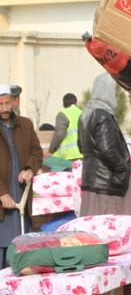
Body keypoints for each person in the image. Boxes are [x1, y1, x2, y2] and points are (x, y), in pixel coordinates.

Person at [78, 73, 131, 216]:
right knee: (111, 223)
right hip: (107, 183)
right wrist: (123, 169)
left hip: (92, 180)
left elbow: (81, 146)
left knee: (93, 224)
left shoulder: (85, 115)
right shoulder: (102, 115)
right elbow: (107, 149)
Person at [0, 84, 43, 268]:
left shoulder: (25, 124)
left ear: (14, 101)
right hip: (3, 202)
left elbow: (36, 152)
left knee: (22, 249)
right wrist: (2, 193)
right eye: (0, 104)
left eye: (7, 103)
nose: (4, 109)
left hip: (22, 198)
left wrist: (29, 169)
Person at [49, 93, 83, 160]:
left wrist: (51, 149)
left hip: (67, 157)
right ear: (76, 102)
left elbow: (59, 134)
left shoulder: (63, 114)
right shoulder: (83, 113)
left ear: (64, 104)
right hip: (82, 155)